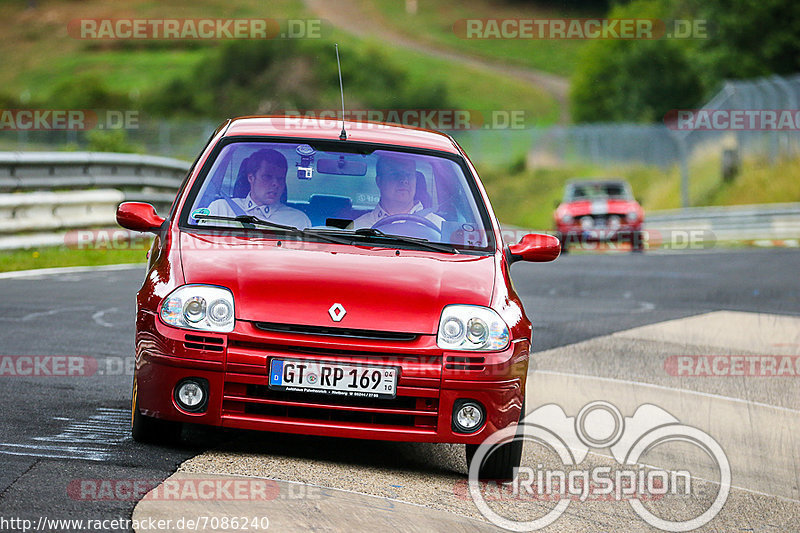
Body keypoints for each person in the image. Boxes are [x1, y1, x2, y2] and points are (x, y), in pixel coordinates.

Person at [205, 149, 311, 229]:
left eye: (280, 179)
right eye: (267, 177)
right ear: (251, 178)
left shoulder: (298, 220)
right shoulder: (220, 210)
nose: (276, 184)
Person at [353, 154, 444, 230]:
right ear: (379, 181)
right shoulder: (358, 228)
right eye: (396, 174)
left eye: (409, 175)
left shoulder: (439, 227)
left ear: (416, 180)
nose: (404, 180)